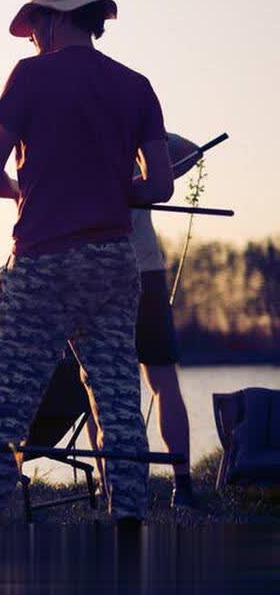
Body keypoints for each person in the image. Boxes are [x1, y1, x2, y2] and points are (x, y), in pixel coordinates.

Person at [0, 0, 174, 561]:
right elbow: (161, 185)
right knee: (117, 401)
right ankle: (129, 544)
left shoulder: (31, 77)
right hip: (115, 262)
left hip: (42, 260)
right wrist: (114, 187)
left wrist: (23, 190)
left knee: (9, 399)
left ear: (58, 18)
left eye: (36, 23)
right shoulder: (135, 85)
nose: (32, 36)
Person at [86, 132, 201, 508]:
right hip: (108, 277)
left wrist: (141, 141)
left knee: (153, 384)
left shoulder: (129, 149)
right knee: (101, 390)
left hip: (134, 275)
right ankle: (111, 485)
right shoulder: (95, 151)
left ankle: (179, 484)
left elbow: (190, 153)